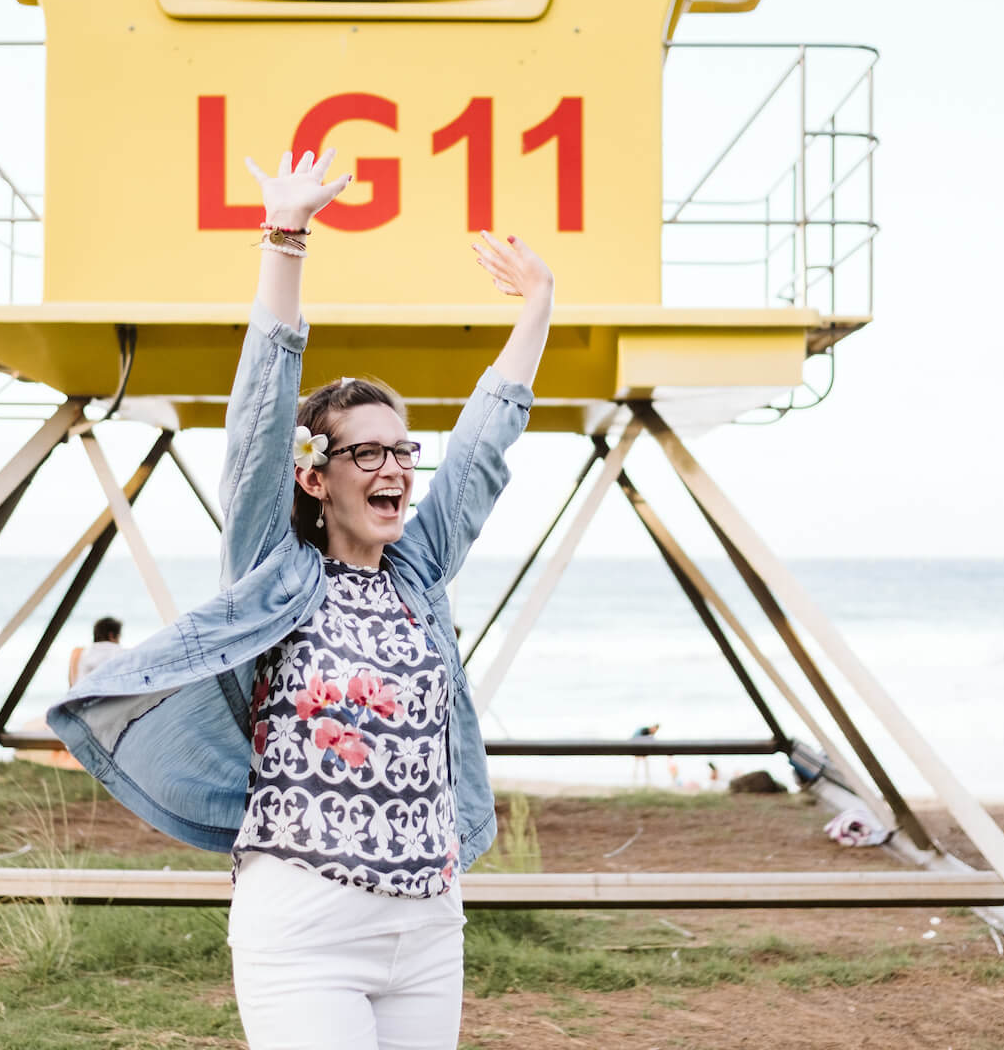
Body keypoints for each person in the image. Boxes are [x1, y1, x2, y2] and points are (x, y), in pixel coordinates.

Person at [48, 148, 554, 1050]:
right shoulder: (276, 570)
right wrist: (285, 239)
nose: (395, 466)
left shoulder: (418, 574)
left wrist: (538, 311)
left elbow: (482, 447)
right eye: (368, 452)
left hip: (430, 923)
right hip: (304, 924)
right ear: (317, 478)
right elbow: (259, 419)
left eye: (403, 450)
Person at [68, 616, 124, 686]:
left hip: (80, 695)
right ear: (111, 635)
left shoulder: (77, 652)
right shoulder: (122, 652)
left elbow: (72, 685)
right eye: (119, 636)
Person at [631, 722, 660, 787]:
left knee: (644, 763)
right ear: (653, 727)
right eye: (655, 729)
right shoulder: (645, 730)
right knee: (638, 763)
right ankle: (635, 779)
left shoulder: (650, 732)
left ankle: (646, 779)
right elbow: (639, 739)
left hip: (641, 748)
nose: (655, 731)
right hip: (637, 747)